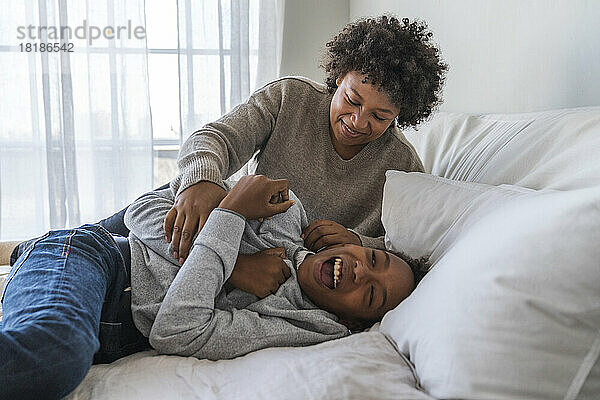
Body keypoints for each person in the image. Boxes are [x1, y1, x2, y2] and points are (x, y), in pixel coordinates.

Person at [0, 175, 428, 399]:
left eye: (370, 294)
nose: (359, 273)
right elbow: (145, 209)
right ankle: (31, 251)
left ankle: (22, 258)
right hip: (102, 260)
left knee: (50, 361)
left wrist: (222, 235)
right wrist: (233, 245)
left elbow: (176, 330)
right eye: (372, 259)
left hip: (108, 334)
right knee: (53, 355)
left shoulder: (308, 327)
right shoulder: (283, 210)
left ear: (351, 321)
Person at [93, 15, 448, 265]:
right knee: (77, 242)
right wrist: (200, 178)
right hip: (216, 212)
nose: (358, 121)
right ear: (339, 76)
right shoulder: (290, 98)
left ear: (401, 114)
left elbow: (411, 248)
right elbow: (216, 138)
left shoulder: (402, 166)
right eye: (352, 100)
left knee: (103, 261)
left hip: (254, 253)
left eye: (379, 117)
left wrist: (359, 242)